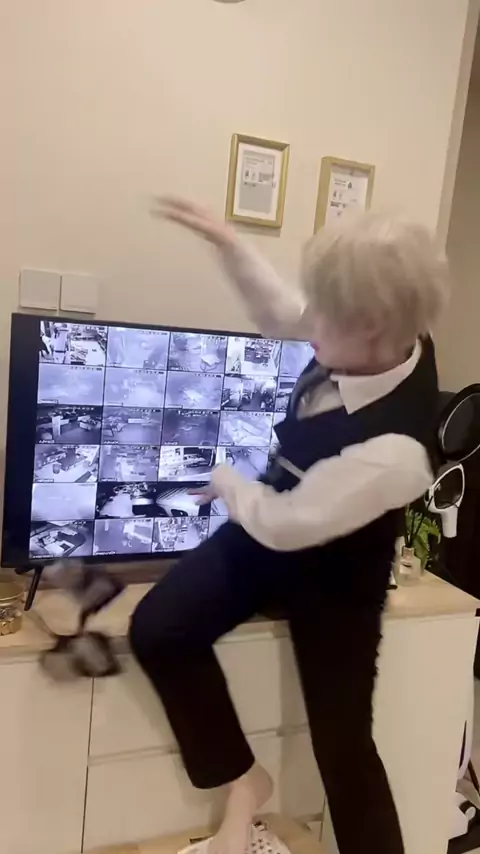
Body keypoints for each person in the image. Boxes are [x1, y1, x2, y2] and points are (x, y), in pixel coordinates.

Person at [130, 200, 450, 854]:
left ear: (372, 327)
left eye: (324, 317)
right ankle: (244, 778)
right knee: (158, 628)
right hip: (274, 521)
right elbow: (283, 311)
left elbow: (287, 524)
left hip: (336, 572)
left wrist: (227, 482)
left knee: (344, 750)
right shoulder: (374, 329)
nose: (308, 327)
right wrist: (228, 243)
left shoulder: (398, 453)